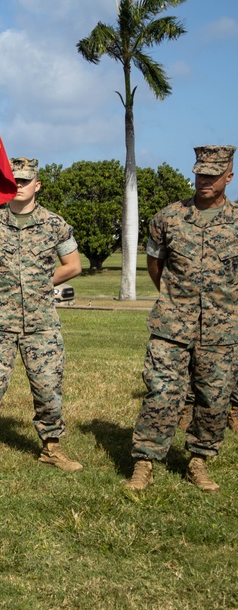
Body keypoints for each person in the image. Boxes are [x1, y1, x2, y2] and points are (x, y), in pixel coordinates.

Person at [125, 145, 237, 493]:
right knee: (161, 393)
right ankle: (145, 462)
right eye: (200, 173)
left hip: (222, 329)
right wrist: (176, 301)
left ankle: (198, 461)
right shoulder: (168, 217)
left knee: (214, 400)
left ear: (228, 177)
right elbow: (155, 267)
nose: (204, 180)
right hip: (172, 326)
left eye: (212, 175)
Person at [0, 157, 83, 472]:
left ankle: (51, 448)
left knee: (48, 387)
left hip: (41, 321)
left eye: (25, 181)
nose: (19, 186)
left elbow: (74, 265)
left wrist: (43, 284)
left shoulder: (55, 224)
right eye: (14, 181)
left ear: (37, 185)